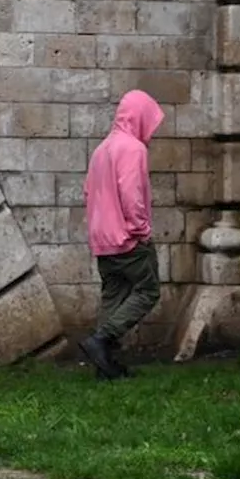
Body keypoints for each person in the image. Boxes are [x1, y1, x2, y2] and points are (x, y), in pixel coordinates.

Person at [80, 90, 165, 380]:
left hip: (103, 240)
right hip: (128, 238)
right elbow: (132, 194)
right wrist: (141, 230)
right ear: (139, 117)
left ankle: (105, 368)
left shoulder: (102, 149)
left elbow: (88, 192)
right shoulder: (132, 149)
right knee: (148, 290)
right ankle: (102, 341)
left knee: (113, 297)